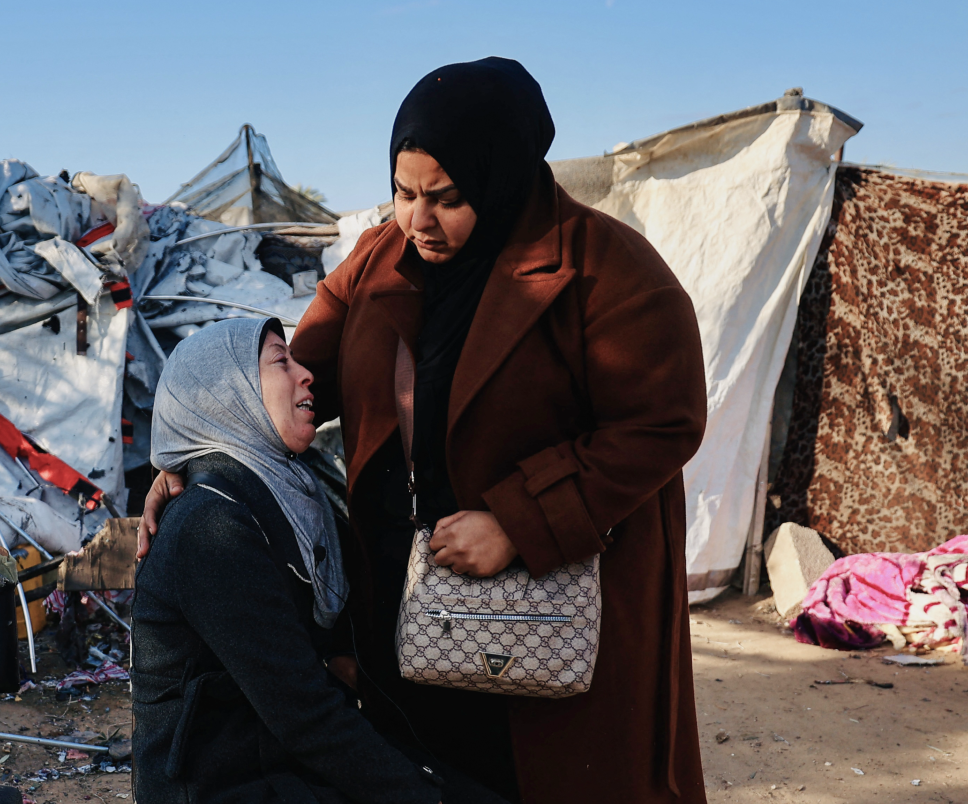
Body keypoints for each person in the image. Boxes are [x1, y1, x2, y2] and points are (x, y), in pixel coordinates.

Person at [140, 58, 709, 803]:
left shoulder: (608, 272)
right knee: (424, 771)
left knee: (549, 781)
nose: (416, 220)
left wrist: (517, 519)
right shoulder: (380, 260)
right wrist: (195, 456)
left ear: (500, 177)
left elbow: (664, 423)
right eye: (403, 193)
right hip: (411, 603)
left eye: (444, 199)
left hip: (547, 597)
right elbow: (284, 380)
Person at [131, 317, 505, 804]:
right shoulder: (211, 527)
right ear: (225, 396)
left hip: (281, 764)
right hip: (225, 784)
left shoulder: (290, 497)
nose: (306, 374)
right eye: (280, 362)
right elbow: (303, 714)